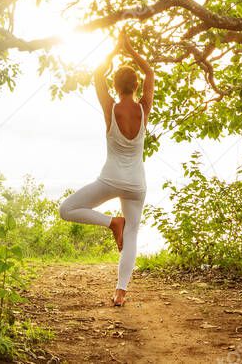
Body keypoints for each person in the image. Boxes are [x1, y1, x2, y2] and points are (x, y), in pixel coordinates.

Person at [58, 28, 154, 307]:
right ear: (135, 86)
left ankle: (112, 222)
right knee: (133, 233)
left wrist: (115, 49)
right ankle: (120, 292)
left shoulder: (109, 107)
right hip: (136, 184)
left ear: (115, 85)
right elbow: (150, 74)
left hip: (110, 179)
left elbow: (97, 75)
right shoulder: (144, 108)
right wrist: (133, 50)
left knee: (67, 209)